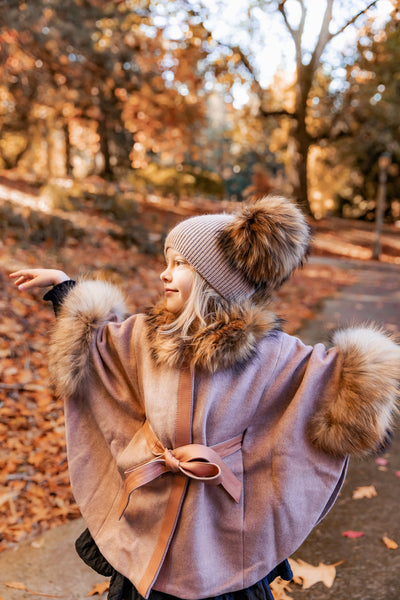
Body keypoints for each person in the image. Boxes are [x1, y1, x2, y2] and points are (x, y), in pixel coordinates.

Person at [10, 195, 400, 600]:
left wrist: (368, 372)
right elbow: (100, 350)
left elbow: (331, 381)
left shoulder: (272, 354)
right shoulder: (146, 337)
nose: (164, 274)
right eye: (166, 261)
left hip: (223, 525)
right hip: (151, 509)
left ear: (215, 277)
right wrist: (64, 290)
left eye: (179, 263)